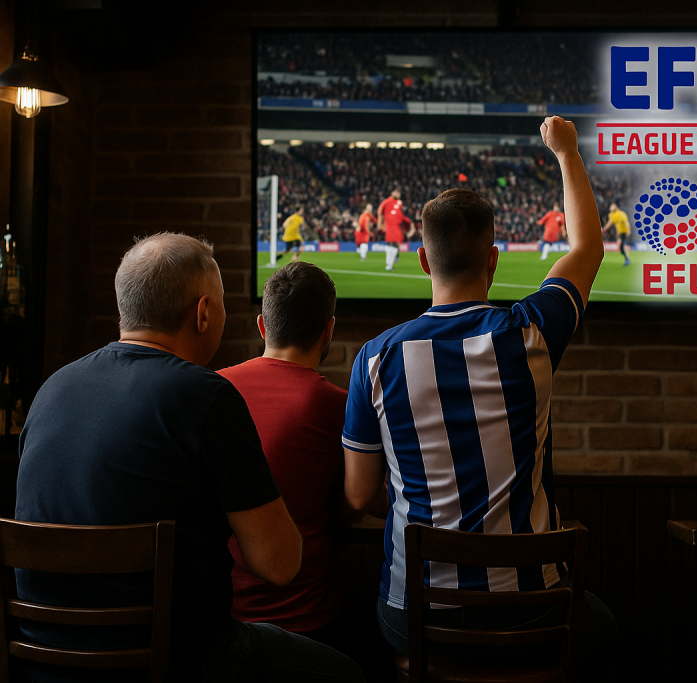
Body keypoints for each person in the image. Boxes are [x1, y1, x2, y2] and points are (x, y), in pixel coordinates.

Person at [16, 233, 365, 683]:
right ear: (203, 314)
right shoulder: (206, 396)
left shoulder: (51, 390)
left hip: (45, 658)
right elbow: (279, 564)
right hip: (176, 660)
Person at [342, 116, 619, 681]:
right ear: (494, 261)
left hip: (412, 609)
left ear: (423, 261)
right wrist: (566, 151)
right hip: (530, 604)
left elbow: (359, 495)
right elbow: (588, 245)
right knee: (606, 630)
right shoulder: (533, 334)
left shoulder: (374, 358)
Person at [217, 261, 359, 652]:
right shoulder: (339, 406)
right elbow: (353, 505)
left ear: (262, 325)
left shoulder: (212, 389)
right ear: (328, 331)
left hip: (214, 620)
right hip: (305, 623)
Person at [378, 189, 412, 271]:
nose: (398, 194)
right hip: (391, 226)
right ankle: (389, 265)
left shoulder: (399, 203)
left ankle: (391, 262)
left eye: (399, 193)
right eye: (396, 192)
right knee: (392, 244)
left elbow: (399, 215)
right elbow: (380, 212)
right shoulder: (386, 202)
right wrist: (380, 224)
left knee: (394, 244)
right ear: (392, 193)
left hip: (396, 226)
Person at [604, 202, 630, 266]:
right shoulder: (611, 215)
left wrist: (628, 230)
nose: (611, 208)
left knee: (621, 246)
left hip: (624, 231)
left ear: (616, 207)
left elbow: (626, 222)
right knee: (621, 248)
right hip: (619, 232)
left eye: (612, 206)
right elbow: (610, 222)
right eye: (611, 206)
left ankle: (627, 259)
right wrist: (604, 229)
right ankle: (627, 257)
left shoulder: (621, 214)